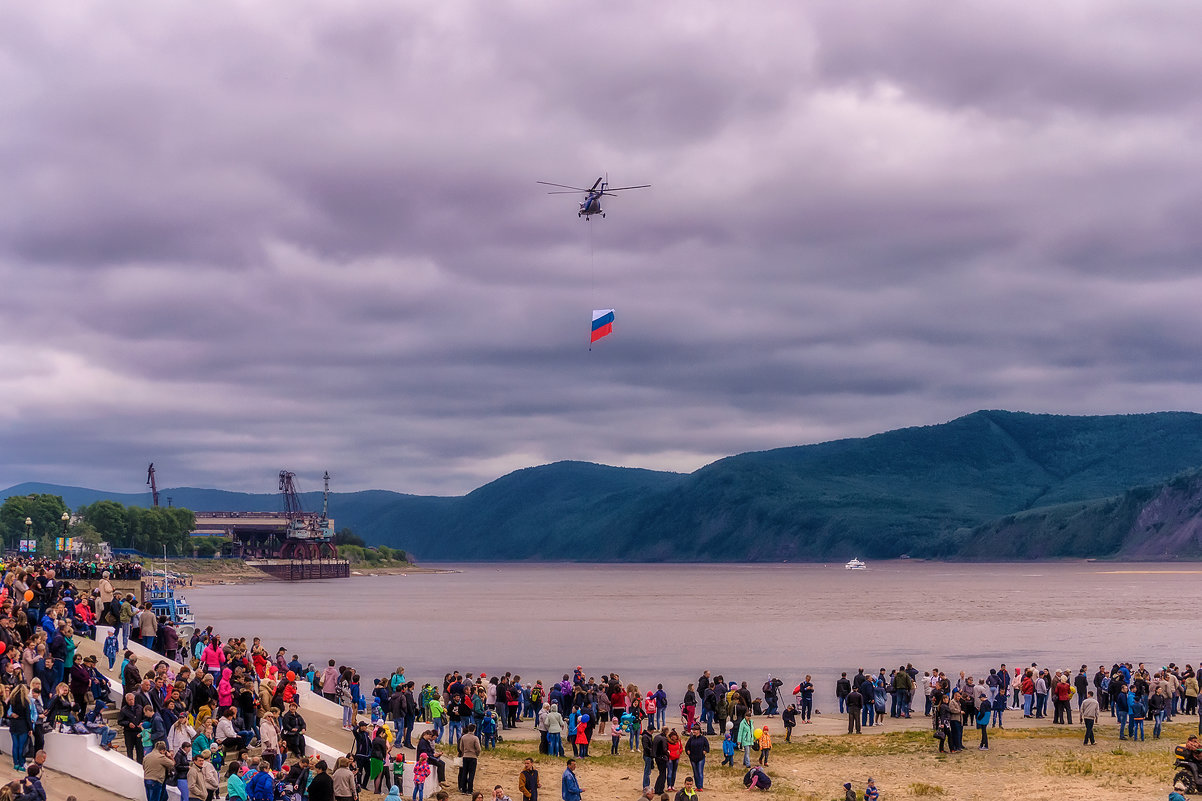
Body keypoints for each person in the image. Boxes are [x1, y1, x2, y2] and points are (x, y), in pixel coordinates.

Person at [459, 723, 482, 795]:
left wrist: (464, 753)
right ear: (474, 730)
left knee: (464, 773)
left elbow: (461, 747)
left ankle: (463, 789)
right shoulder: (475, 738)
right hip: (473, 757)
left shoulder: (463, 737)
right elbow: (478, 748)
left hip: (465, 756)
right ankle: (470, 790)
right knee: (471, 774)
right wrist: (476, 754)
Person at [684, 725, 708, 790]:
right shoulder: (691, 738)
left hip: (701, 758)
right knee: (695, 773)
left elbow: (707, 746)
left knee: (700, 772)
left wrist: (705, 751)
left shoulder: (703, 738)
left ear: (699, 731)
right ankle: (697, 786)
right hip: (693, 758)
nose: (693, 731)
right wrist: (688, 751)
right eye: (693, 730)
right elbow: (687, 746)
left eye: (695, 730)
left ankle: (700, 786)